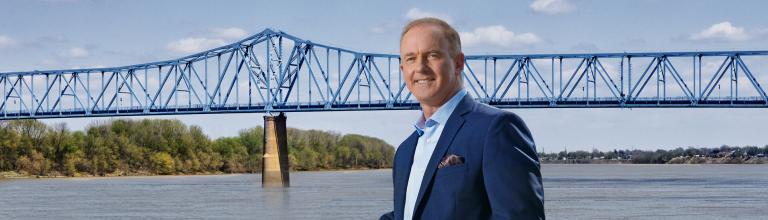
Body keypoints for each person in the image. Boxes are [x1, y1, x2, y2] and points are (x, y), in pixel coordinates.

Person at [379, 17, 545, 220]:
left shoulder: (497, 128)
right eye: (411, 58)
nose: (420, 67)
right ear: (403, 69)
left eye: (432, 55)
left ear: (458, 63)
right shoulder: (405, 150)